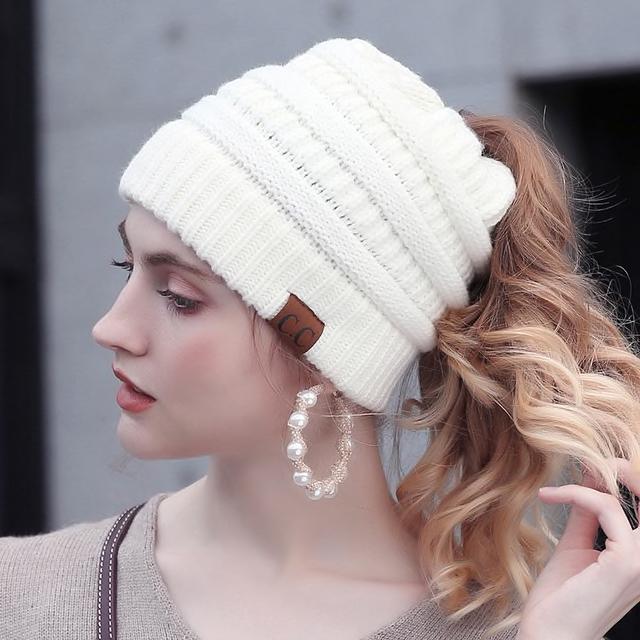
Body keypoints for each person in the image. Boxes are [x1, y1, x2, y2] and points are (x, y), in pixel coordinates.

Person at [2, 37, 640, 640]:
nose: (110, 327)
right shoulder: (23, 595)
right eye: (128, 266)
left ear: (325, 353)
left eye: (178, 296)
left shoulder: (519, 629)